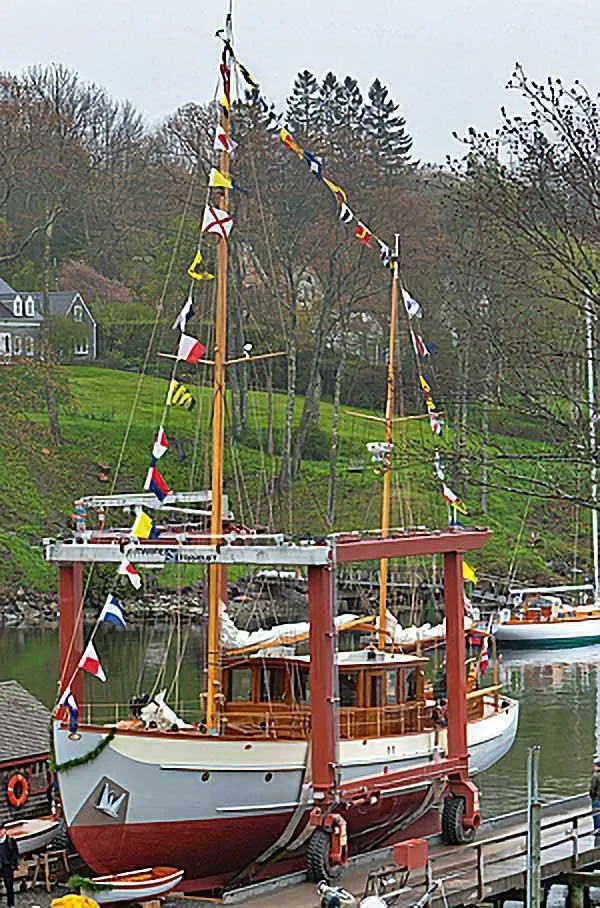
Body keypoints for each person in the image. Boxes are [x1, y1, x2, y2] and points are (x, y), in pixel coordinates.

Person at [0, 823, 19, 908]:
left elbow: (15, 854)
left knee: (9, 885)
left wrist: (13, 864)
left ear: (4, 830)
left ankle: (11, 904)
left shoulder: (10, 841)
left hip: (7, 866)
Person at [590, 761, 600, 832]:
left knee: (596, 814)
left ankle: (597, 829)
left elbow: (592, 788)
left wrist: (592, 797)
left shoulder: (595, 776)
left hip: (597, 798)